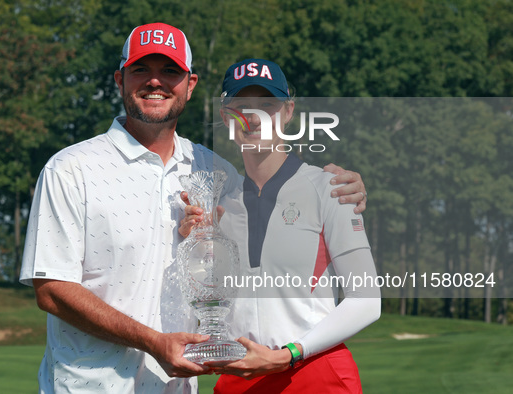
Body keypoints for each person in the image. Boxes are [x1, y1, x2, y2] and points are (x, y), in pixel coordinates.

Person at [20, 22, 368, 393]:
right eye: (141, 70)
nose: (155, 82)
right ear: (120, 80)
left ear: (190, 84)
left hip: (177, 387)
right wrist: (154, 342)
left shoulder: (215, 170)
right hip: (89, 386)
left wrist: (346, 186)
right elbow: (52, 289)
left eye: (170, 71)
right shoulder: (72, 168)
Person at [180, 59, 380, 393]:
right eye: (241, 107)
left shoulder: (331, 188)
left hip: (313, 372)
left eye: (267, 106)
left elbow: (367, 300)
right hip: (238, 378)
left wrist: (289, 355)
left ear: (288, 112)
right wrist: (189, 243)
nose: (254, 117)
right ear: (226, 117)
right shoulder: (219, 207)